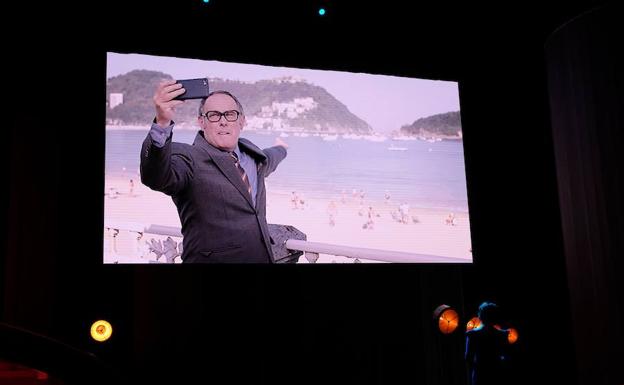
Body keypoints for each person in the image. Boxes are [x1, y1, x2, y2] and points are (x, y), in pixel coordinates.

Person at [140, 80, 288, 263]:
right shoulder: (189, 158)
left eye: (230, 114)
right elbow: (156, 177)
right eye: (214, 115)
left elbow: (271, 157)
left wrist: (282, 148)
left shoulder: (254, 158)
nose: (223, 121)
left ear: (242, 121)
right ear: (202, 122)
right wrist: (162, 123)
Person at [465, 302, 511, 385]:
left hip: (480, 375)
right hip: (496, 375)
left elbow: (468, 358)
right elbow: (507, 357)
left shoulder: (472, 334)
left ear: (480, 316)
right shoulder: (502, 335)